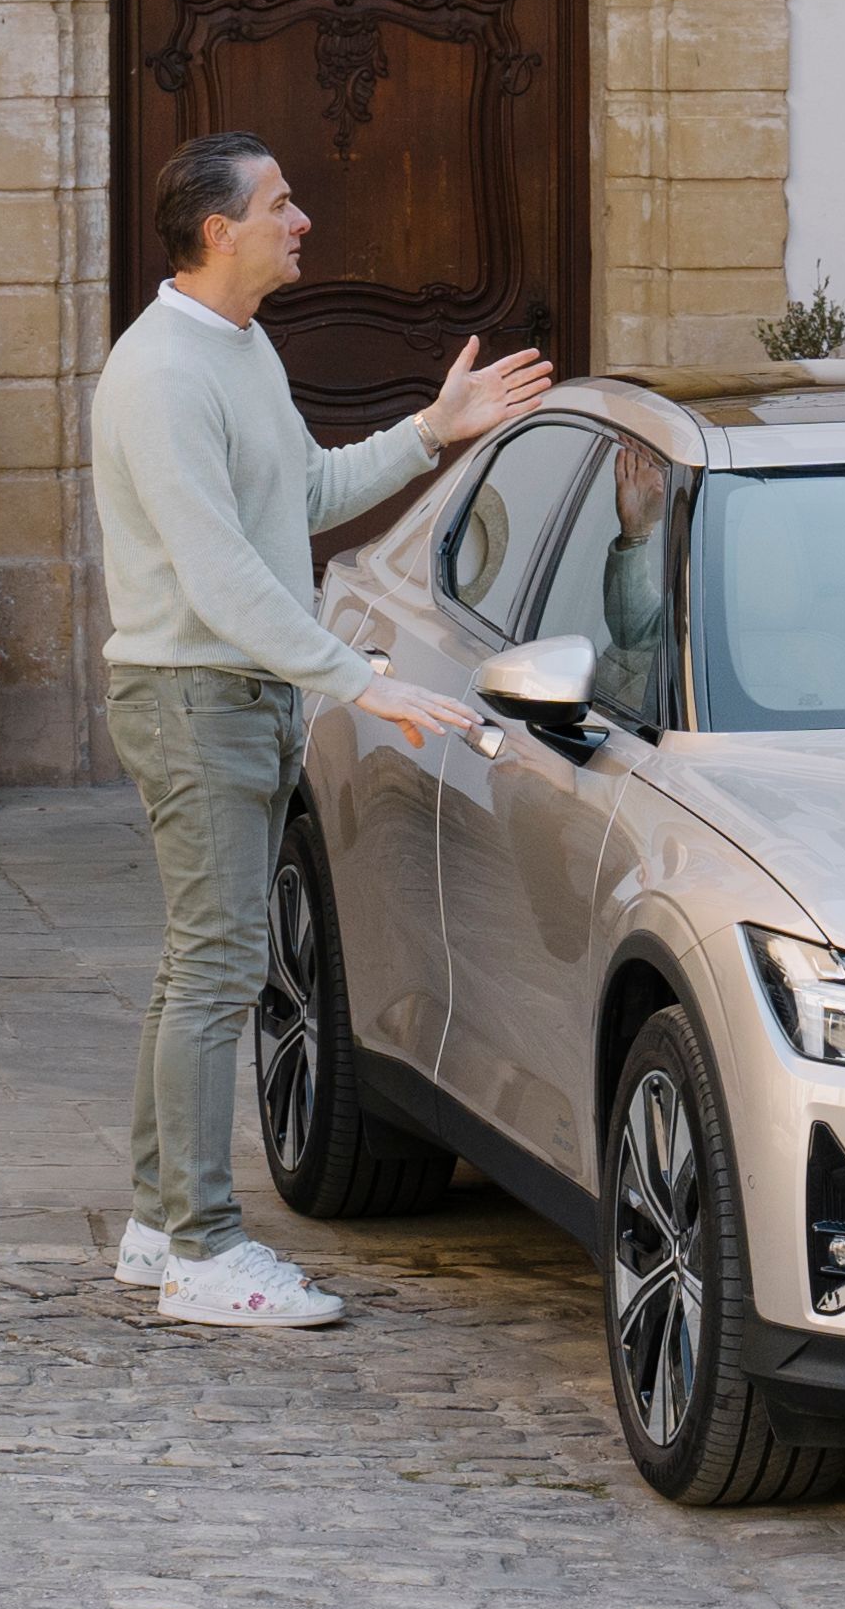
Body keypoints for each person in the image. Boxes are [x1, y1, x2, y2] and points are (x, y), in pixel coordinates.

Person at [91, 128, 550, 1330]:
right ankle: (202, 1249)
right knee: (218, 969)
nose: (303, 222)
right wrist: (359, 680)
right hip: (192, 698)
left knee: (202, 961)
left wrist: (431, 429)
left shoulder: (239, 347)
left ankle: (157, 1224)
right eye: (282, 204)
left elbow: (300, 501)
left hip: (236, 694)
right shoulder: (163, 375)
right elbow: (219, 577)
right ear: (216, 230)